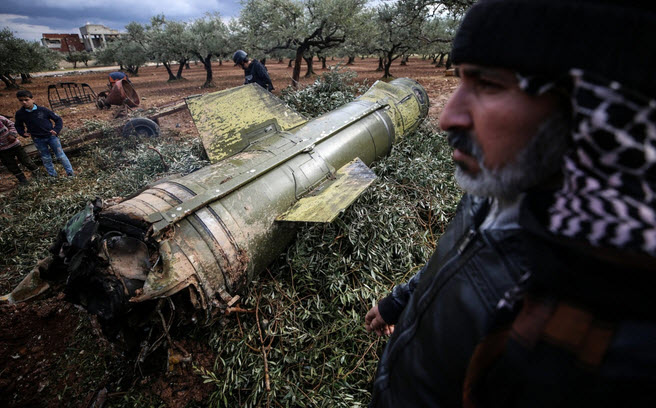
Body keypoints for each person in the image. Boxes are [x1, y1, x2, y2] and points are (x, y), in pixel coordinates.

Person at [368, 0, 656, 406]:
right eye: (460, 80)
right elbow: (455, 257)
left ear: (582, 108)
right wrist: (399, 301)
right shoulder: (500, 185)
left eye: (488, 85)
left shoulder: (599, 337)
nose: (447, 117)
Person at [14, 90, 74, 177]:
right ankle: (52, 175)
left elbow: (58, 119)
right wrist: (22, 133)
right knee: (46, 158)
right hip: (37, 139)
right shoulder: (20, 114)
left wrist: (56, 130)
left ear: (32, 99)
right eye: (21, 100)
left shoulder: (43, 110)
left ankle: (70, 173)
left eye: (26, 100)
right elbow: (18, 125)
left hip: (51, 136)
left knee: (60, 155)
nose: (24, 102)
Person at [0, 114, 38, 184]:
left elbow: (11, 124)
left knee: (26, 161)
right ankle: (23, 180)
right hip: (2, 150)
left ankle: (38, 174)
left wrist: (13, 134)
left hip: (14, 144)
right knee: (11, 166)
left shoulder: (1, 119)